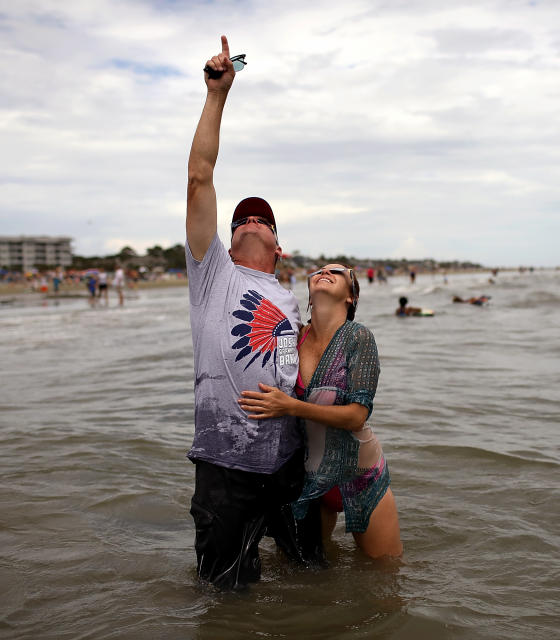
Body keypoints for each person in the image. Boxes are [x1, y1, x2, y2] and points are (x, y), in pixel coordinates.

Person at [184, 35, 307, 590]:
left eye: (263, 219)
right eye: (242, 218)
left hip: (285, 466)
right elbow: (200, 176)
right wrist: (217, 95)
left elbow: (296, 371)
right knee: (223, 598)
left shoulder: (290, 298)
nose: (252, 219)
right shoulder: (213, 272)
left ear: (278, 246)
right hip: (225, 465)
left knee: (312, 585)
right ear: (229, 240)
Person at [239, 264, 402, 559]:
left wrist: (291, 407)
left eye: (338, 272)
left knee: (385, 576)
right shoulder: (294, 339)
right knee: (304, 570)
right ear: (310, 296)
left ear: (351, 297)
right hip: (310, 482)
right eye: (319, 271)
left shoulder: (359, 337)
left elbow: (356, 416)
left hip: (362, 474)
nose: (325, 272)